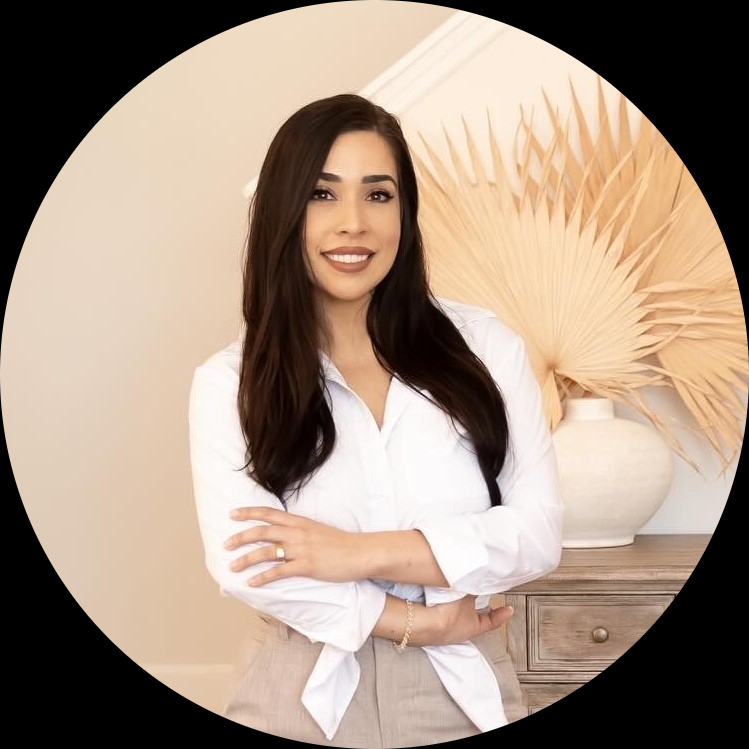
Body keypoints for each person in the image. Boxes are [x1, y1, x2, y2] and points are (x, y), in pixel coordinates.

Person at [188, 93, 563, 747]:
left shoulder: (486, 349)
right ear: (283, 211)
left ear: (404, 212)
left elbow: (535, 535)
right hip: (300, 686)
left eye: (378, 194)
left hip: (461, 686)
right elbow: (248, 565)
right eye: (322, 194)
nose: (353, 223)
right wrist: (413, 621)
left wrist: (355, 553)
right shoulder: (229, 381)